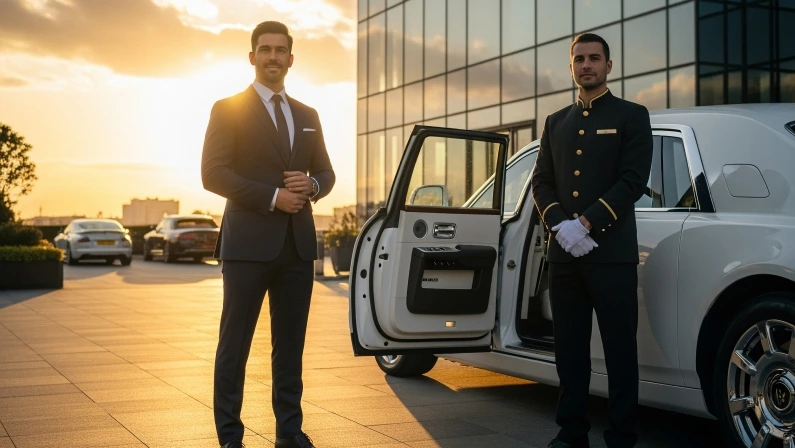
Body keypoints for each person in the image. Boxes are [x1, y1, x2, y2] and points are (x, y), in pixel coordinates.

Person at [201, 20, 335, 448]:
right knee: (234, 345)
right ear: (252, 56)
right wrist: (272, 196)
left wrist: (312, 187)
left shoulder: (308, 115)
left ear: (291, 59)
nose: (273, 56)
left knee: (290, 347)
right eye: (265, 49)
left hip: (297, 246)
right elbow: (212, 173)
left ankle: (290, 433)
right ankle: (230, 438)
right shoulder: (228, 109)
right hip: (247, 246)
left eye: (281, 50)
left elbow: (327, 173)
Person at [530, 33, 653, 448]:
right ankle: (571, 432)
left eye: (594, 59)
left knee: (620, 351)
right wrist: (559, 225)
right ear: (571, 68)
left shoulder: (631, 115)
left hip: (612, 255)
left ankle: (621, 434)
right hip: (565, 256)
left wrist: (585, 223)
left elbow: (633, 180)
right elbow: (541, 183)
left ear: (608, 66)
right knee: (569, 351)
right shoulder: (554, 122)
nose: (587, 65)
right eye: (579, 59)